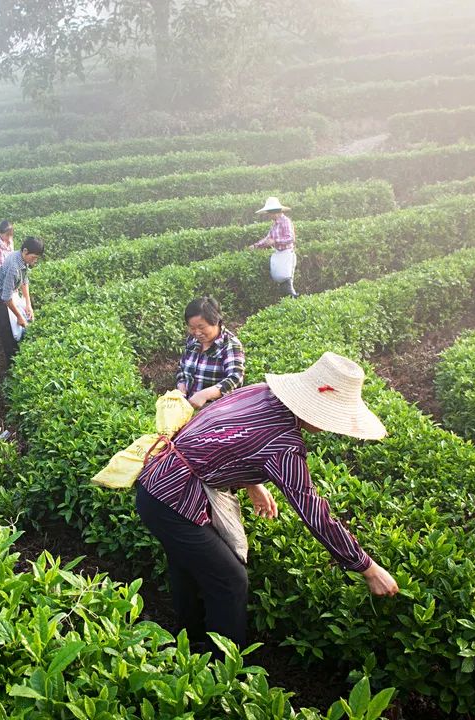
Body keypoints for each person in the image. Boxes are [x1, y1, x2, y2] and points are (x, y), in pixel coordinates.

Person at [136, 351, 400, 654]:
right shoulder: (284, 446)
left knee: (188, 565)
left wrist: (253, 482)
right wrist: (367, 568)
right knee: (231, 580)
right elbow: (314, 512)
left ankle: (188, 645)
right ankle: (222, 668)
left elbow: (225, 437)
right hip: (172, 498)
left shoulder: (261, 392)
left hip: (157, 481)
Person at [176, 297, 245, 410]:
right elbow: (181, 367)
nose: (197, 333)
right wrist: (181, 387)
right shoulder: (192, 341)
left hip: (215, 413)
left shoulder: (230, 345)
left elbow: (235, 378)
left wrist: (205, 395)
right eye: (192, 328)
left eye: (201, 327)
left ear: (215, 321)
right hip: (188, 410)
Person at [0, 236, 44, 367]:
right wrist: (19, 316)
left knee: (23, 323)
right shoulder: (14, 267)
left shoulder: (22, 259)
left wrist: (28, 305)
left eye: (37, 258)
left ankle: (20, 358)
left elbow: (24, 281)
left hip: (10, 294)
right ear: (25, 251)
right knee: (8, 334)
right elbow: (6, 297)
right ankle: (12, 367)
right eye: (34, 257)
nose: (35, 261)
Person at [248, 196, 298, 297]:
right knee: (282, 283)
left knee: (287, 282)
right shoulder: (275, 224)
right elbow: (268, 238)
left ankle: (294, 299)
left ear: (274, 212)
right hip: (279, 255)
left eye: (269, 213)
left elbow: (291, 238)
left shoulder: (285, 221)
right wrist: (255, 246)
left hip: (287, 254)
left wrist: (275, 241)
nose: (268, 215)